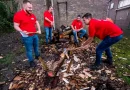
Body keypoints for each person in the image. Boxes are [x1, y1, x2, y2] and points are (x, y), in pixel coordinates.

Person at [13, 0, 41, 67]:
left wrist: (39, 29)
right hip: (27, 37)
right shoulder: (18, 15)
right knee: (29, 50)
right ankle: (31, 61)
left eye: (31, 7)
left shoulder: (32, 15)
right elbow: (15, 26)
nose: (31, 9)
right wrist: (22, 31)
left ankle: (37, 56)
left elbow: (36, 22)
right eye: (29, 7)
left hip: (34, 35)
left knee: (36, 47)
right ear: (24, 6)